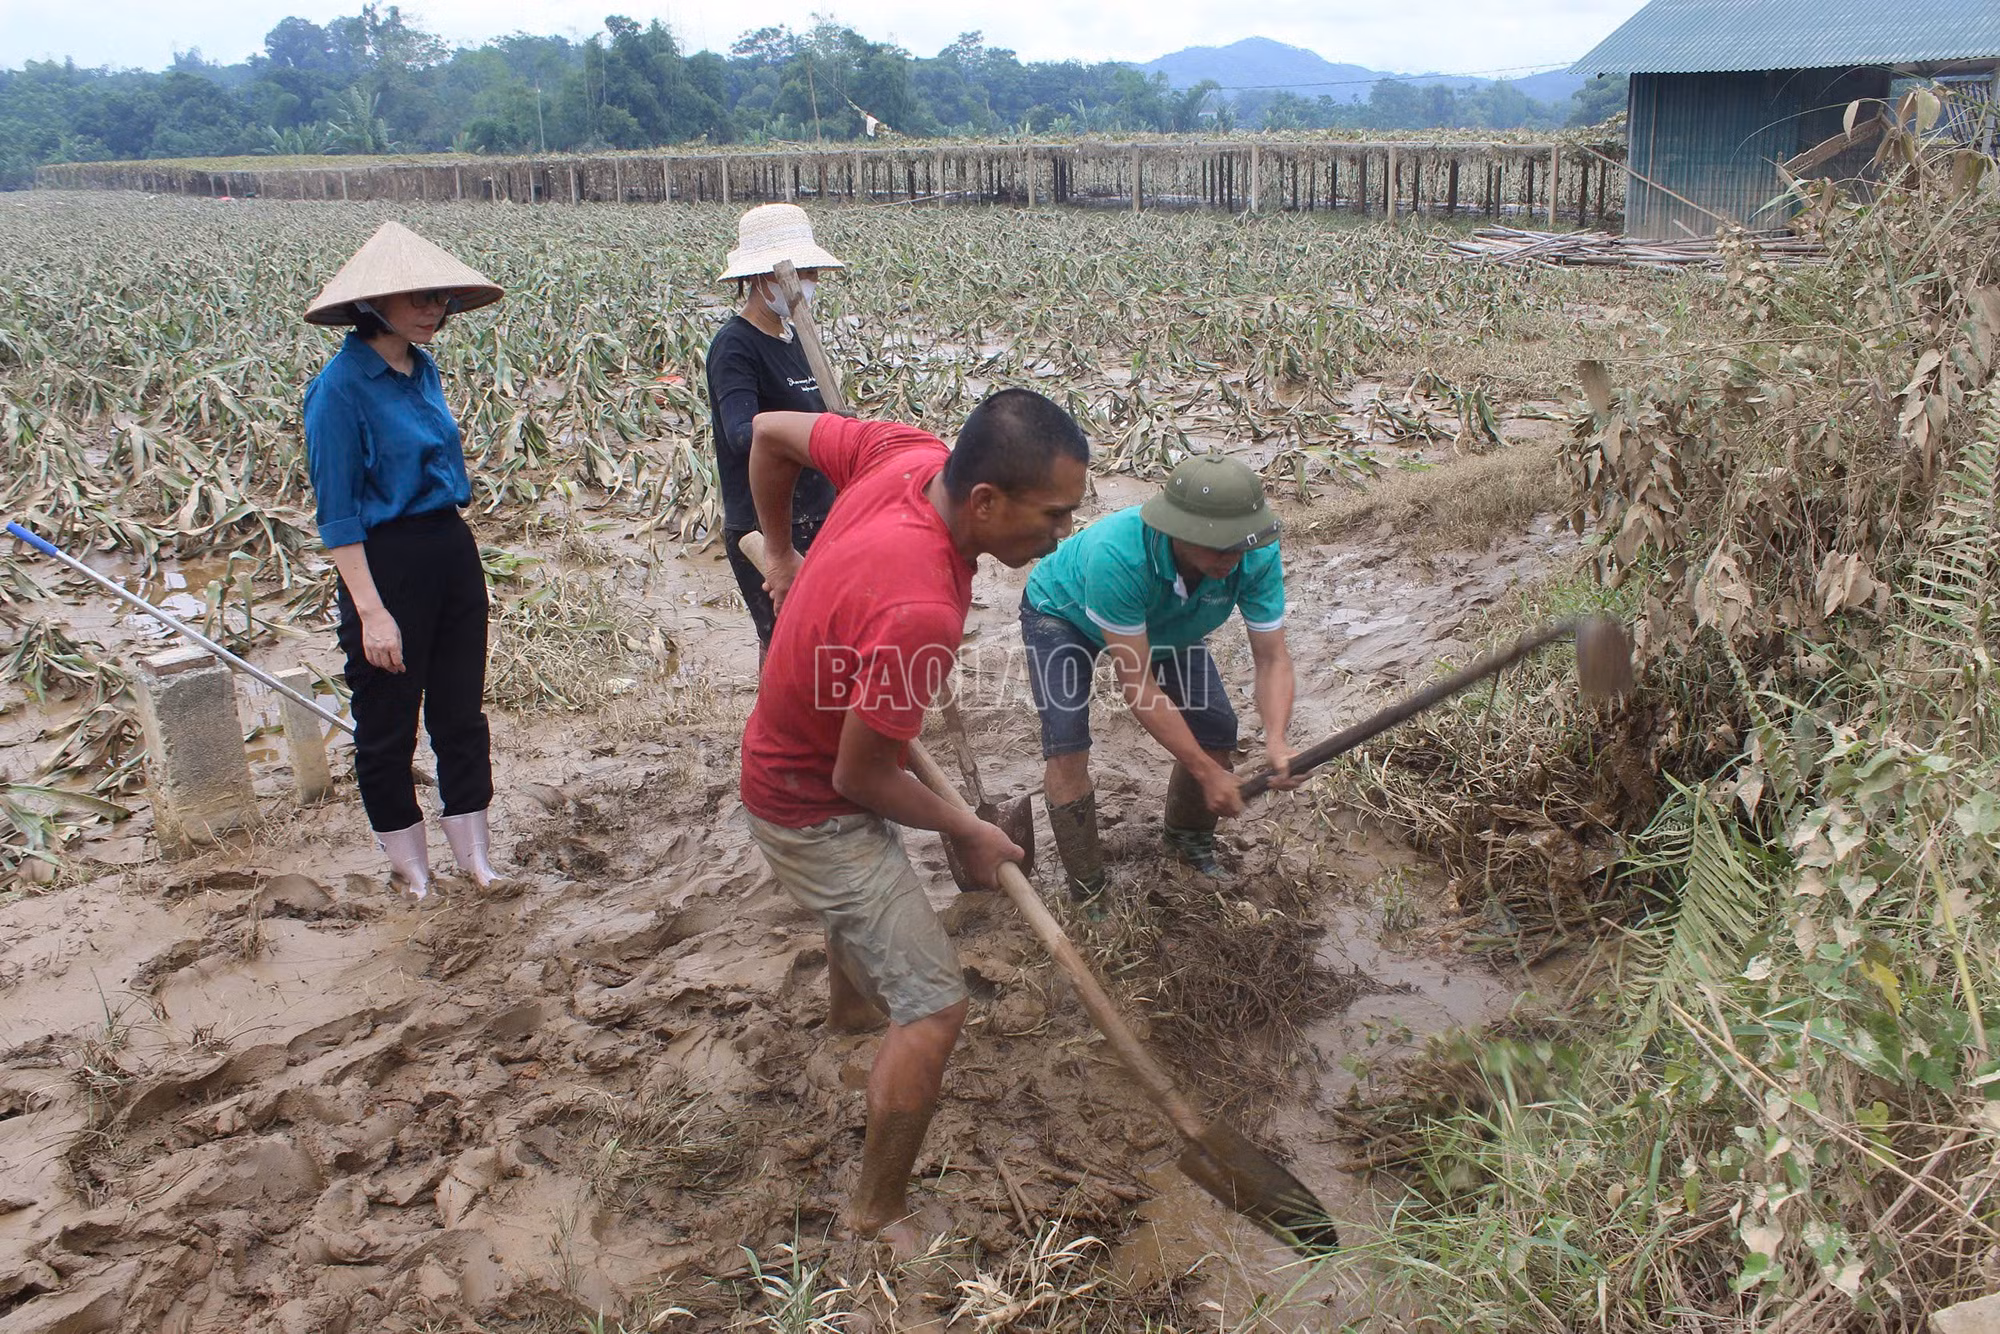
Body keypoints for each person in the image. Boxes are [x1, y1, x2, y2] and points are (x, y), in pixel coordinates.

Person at [739, 389, 1088, 1248]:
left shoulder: (905, 454)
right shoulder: (920, 607)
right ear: (984, 502)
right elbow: (859, 777)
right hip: (805, 804)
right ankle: (875, 1213)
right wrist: (968, 829)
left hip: (799, 752)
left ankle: (851, 1018)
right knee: (934, 1006)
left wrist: (781, 551)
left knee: (874, 889)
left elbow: (769, 435)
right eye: (1054, 517)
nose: (1062, 537)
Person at [301, 220, 507, 898]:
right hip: (385, 563)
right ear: (372, 303)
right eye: (418, 298)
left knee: (460, 712)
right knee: (387, 723)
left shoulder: (423, 369)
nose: (433, 311)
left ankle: (475, 857)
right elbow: (337, 513)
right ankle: (411, 868)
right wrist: (372, 612)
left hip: (450, 547)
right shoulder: (339, 388)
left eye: (440, 298)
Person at [1020, 453, 1300, 900]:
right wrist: (1208, 774)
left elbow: (1271, 658)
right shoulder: (1119, 555)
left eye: (1238, 545)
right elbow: (1140, 687)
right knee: (1068, 745)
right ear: (1178, 531)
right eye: (1217, 545)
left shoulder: (1254, 554)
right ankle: (1088, 886)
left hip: (1164, 623)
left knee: (1215, 728)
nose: (1231, 558)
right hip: (1064, 613)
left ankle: (1187, 844)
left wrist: (1277, 741)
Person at [705, 203, 845, 655]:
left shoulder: (797, 339)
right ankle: (775, 728)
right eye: (803, 272)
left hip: (819, 512)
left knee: (831, 639)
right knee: (787, 644)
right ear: (765, 277)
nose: (812, 283)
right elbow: (742, 434)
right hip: (766, 524)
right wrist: (821, 433)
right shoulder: (735, 346)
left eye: (813, 272)